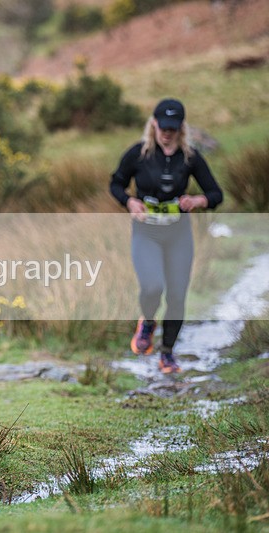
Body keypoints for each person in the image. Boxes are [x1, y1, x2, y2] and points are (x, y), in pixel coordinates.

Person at [110, 98, 223, 374]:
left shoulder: (190, 157)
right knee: (152, 287)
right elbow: (116, 183)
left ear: (181, 128)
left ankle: (167, 353)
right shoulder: (138, 154)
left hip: (178, 234)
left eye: (173, 128)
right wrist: (129, 201)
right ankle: (148, 321)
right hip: (146, 232)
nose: (167, 133)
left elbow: (215, 194)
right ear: (154, 124)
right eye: (163, 127)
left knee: (177, 295)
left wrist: (198, 201)